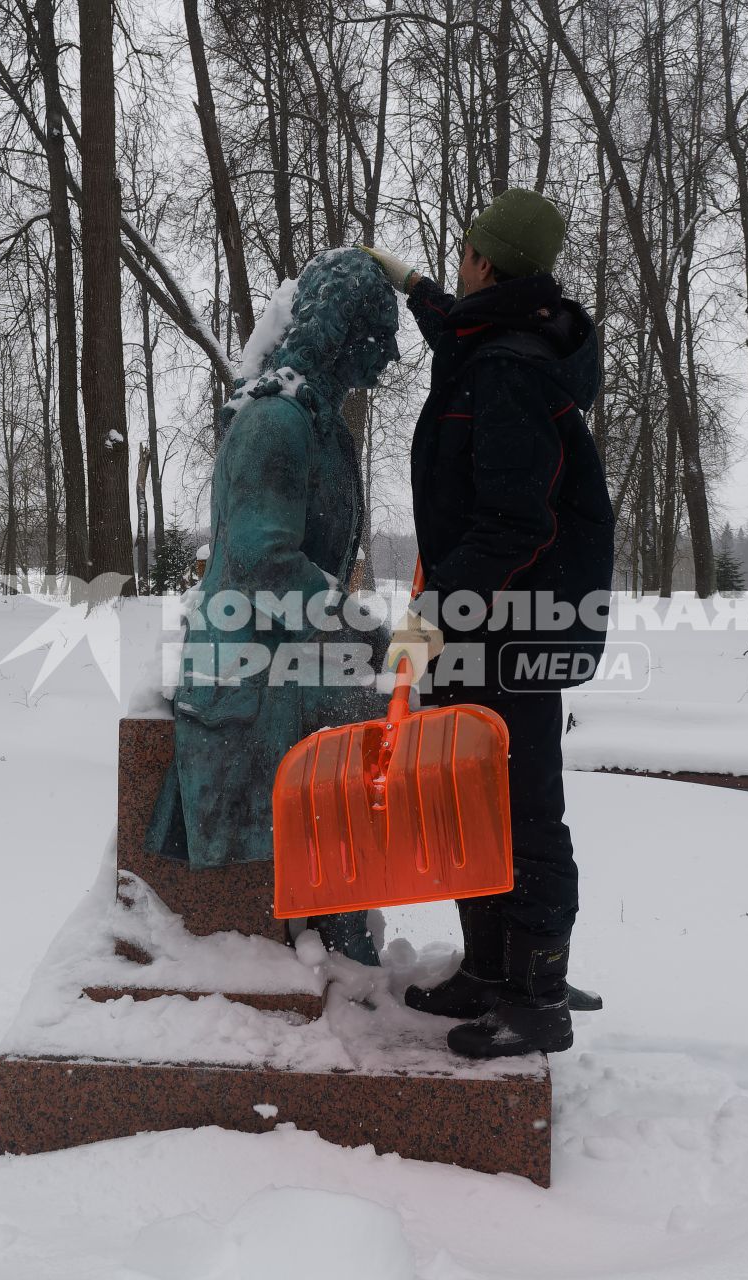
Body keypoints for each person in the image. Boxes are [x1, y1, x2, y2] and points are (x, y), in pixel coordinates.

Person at [361, 188, 616, 1060]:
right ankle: (488, 966)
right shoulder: (495, 337)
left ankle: (537, 991)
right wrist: (411, 285)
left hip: (517, 623)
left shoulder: (510, 368)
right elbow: (458, 326)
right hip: (489, 617)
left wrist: (437, 613)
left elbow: (517, 520)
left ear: (486, 260)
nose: (457, 260)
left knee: (522, 804)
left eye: (464, 250)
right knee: (475, 797)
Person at [145, 248, 398, 965]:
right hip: (242, 675)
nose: (384, 365)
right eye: (377, 342)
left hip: (282, 654)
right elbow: (263, 566)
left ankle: (343, 927)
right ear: (342, 334)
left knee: (395, 714)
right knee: (373, 727)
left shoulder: (320, 424)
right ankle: (337, 937)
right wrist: (356, 622)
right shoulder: (277, 423)